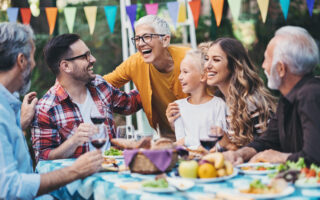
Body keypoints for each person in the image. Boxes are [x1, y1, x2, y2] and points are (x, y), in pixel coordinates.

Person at [0, 22, 103, 200]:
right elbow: (8, 188)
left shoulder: (9, 105)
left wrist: (20, 124)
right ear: (21, 60)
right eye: (32, 58)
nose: (33, 65)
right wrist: (75, 170)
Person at [31, 34, 142, 161]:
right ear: (66, 66)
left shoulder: (100, 85)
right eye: (85, 56)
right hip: (78, 179)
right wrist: (73, 142)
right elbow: (43, 158)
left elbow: (130, 103)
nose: (93, 59)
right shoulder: (46, 108)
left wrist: (157, 75)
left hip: (113, 171)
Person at [223, 26, 320, 165]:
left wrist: (279, 157)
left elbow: (314, 156)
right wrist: (239, 153)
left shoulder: (311, 95)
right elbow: (268, 140)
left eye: (266, 59)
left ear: (281, 69)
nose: (263, 66)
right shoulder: (288, 98)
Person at [167, 38, 276, 151]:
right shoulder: (220, 99)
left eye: (216, 60)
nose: (207, 65)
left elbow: (269, 146)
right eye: (207, 59)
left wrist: (228, 145)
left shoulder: (252, 102)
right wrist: (175, 124)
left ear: (233, 65)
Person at [103, 15, 190, 141]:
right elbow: (103, 84)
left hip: (201, 135)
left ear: (165, 40)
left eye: (147, 37)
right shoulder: (136, 62)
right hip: (168, 140)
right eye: (137, 39)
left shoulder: (188, 58)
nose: (140, 43)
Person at [172, 49, 227, 149]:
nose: (180, 77)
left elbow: (220, 141)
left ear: (202, 76)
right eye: (180, 72)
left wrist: (187, 140)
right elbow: (180, 142)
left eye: (185, 72)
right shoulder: (177, 106)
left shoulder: (219, 105)